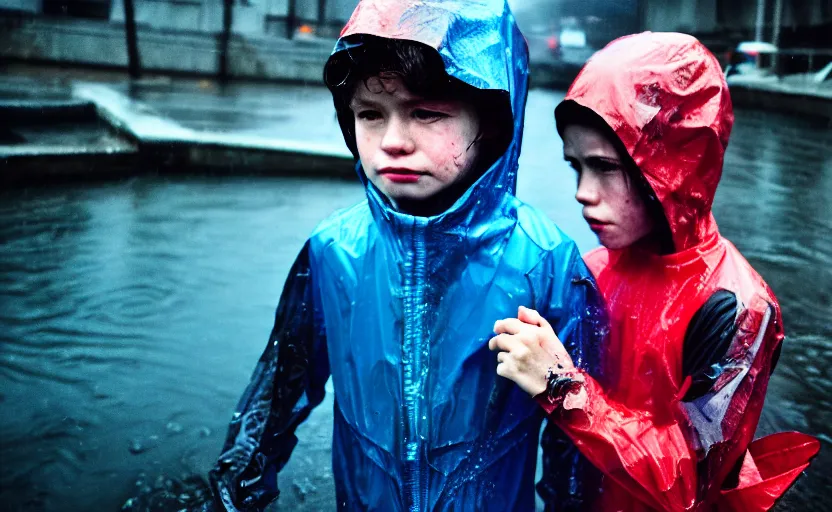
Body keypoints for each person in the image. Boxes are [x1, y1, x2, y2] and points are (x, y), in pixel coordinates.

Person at [203, 1, 605, 510]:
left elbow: (576, 455)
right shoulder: (333, 253)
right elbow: (272, 402)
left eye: (426, 113)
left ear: (494, 119)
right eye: (370, 114)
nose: (392, 142)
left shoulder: (546, 264)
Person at [490, 32, 819, 511]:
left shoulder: (738, 307)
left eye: (604, 167)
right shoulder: (590, 270)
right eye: (576, 167)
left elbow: (690, 480)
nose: (582, 191)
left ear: (672, 167)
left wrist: (561, 386)